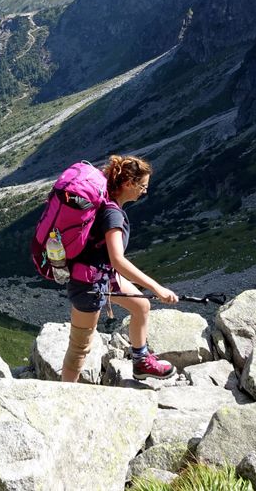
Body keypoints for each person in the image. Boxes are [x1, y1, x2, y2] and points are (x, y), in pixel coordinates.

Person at [61, 155, 179, 383]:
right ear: (128, 184)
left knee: (141, 305)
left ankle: (141, 362)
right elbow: (118, 260)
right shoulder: (113, 214)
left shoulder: (106, 203)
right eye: (143, 186)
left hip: (101, 275)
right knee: (80, 347)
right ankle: (65, 394)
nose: (144, 192)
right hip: (89, 284)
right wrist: (156, 287)